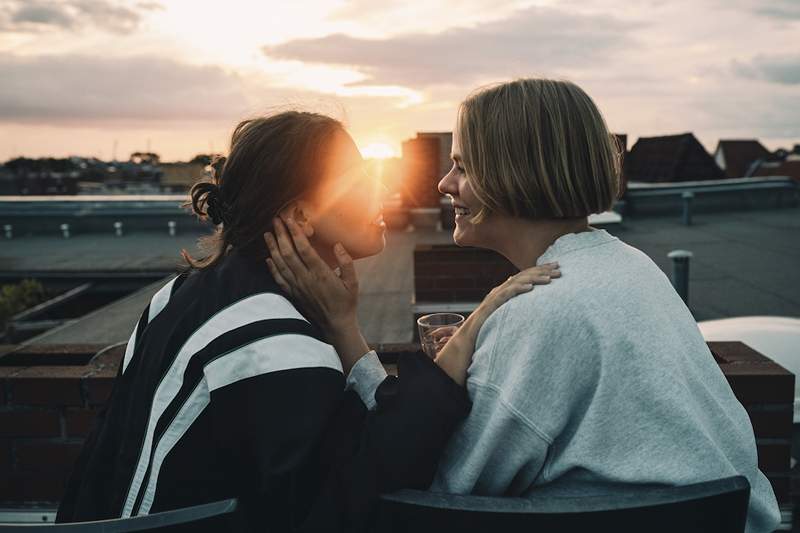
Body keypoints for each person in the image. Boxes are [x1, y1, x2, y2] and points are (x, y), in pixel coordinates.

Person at [271, 80, 781, 533]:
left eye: (462, 167)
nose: (444, 185)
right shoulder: (632, 267)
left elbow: (441, 488)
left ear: (513, 173)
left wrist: (346, 332)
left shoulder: (537, 311)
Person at [57, 110, 557, 532]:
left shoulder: (184, 292)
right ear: (300, 215)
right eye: (359, 181)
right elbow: (359, 497)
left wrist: (342, 325)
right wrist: (470, 332)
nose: (383, 192)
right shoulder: (273, 341)